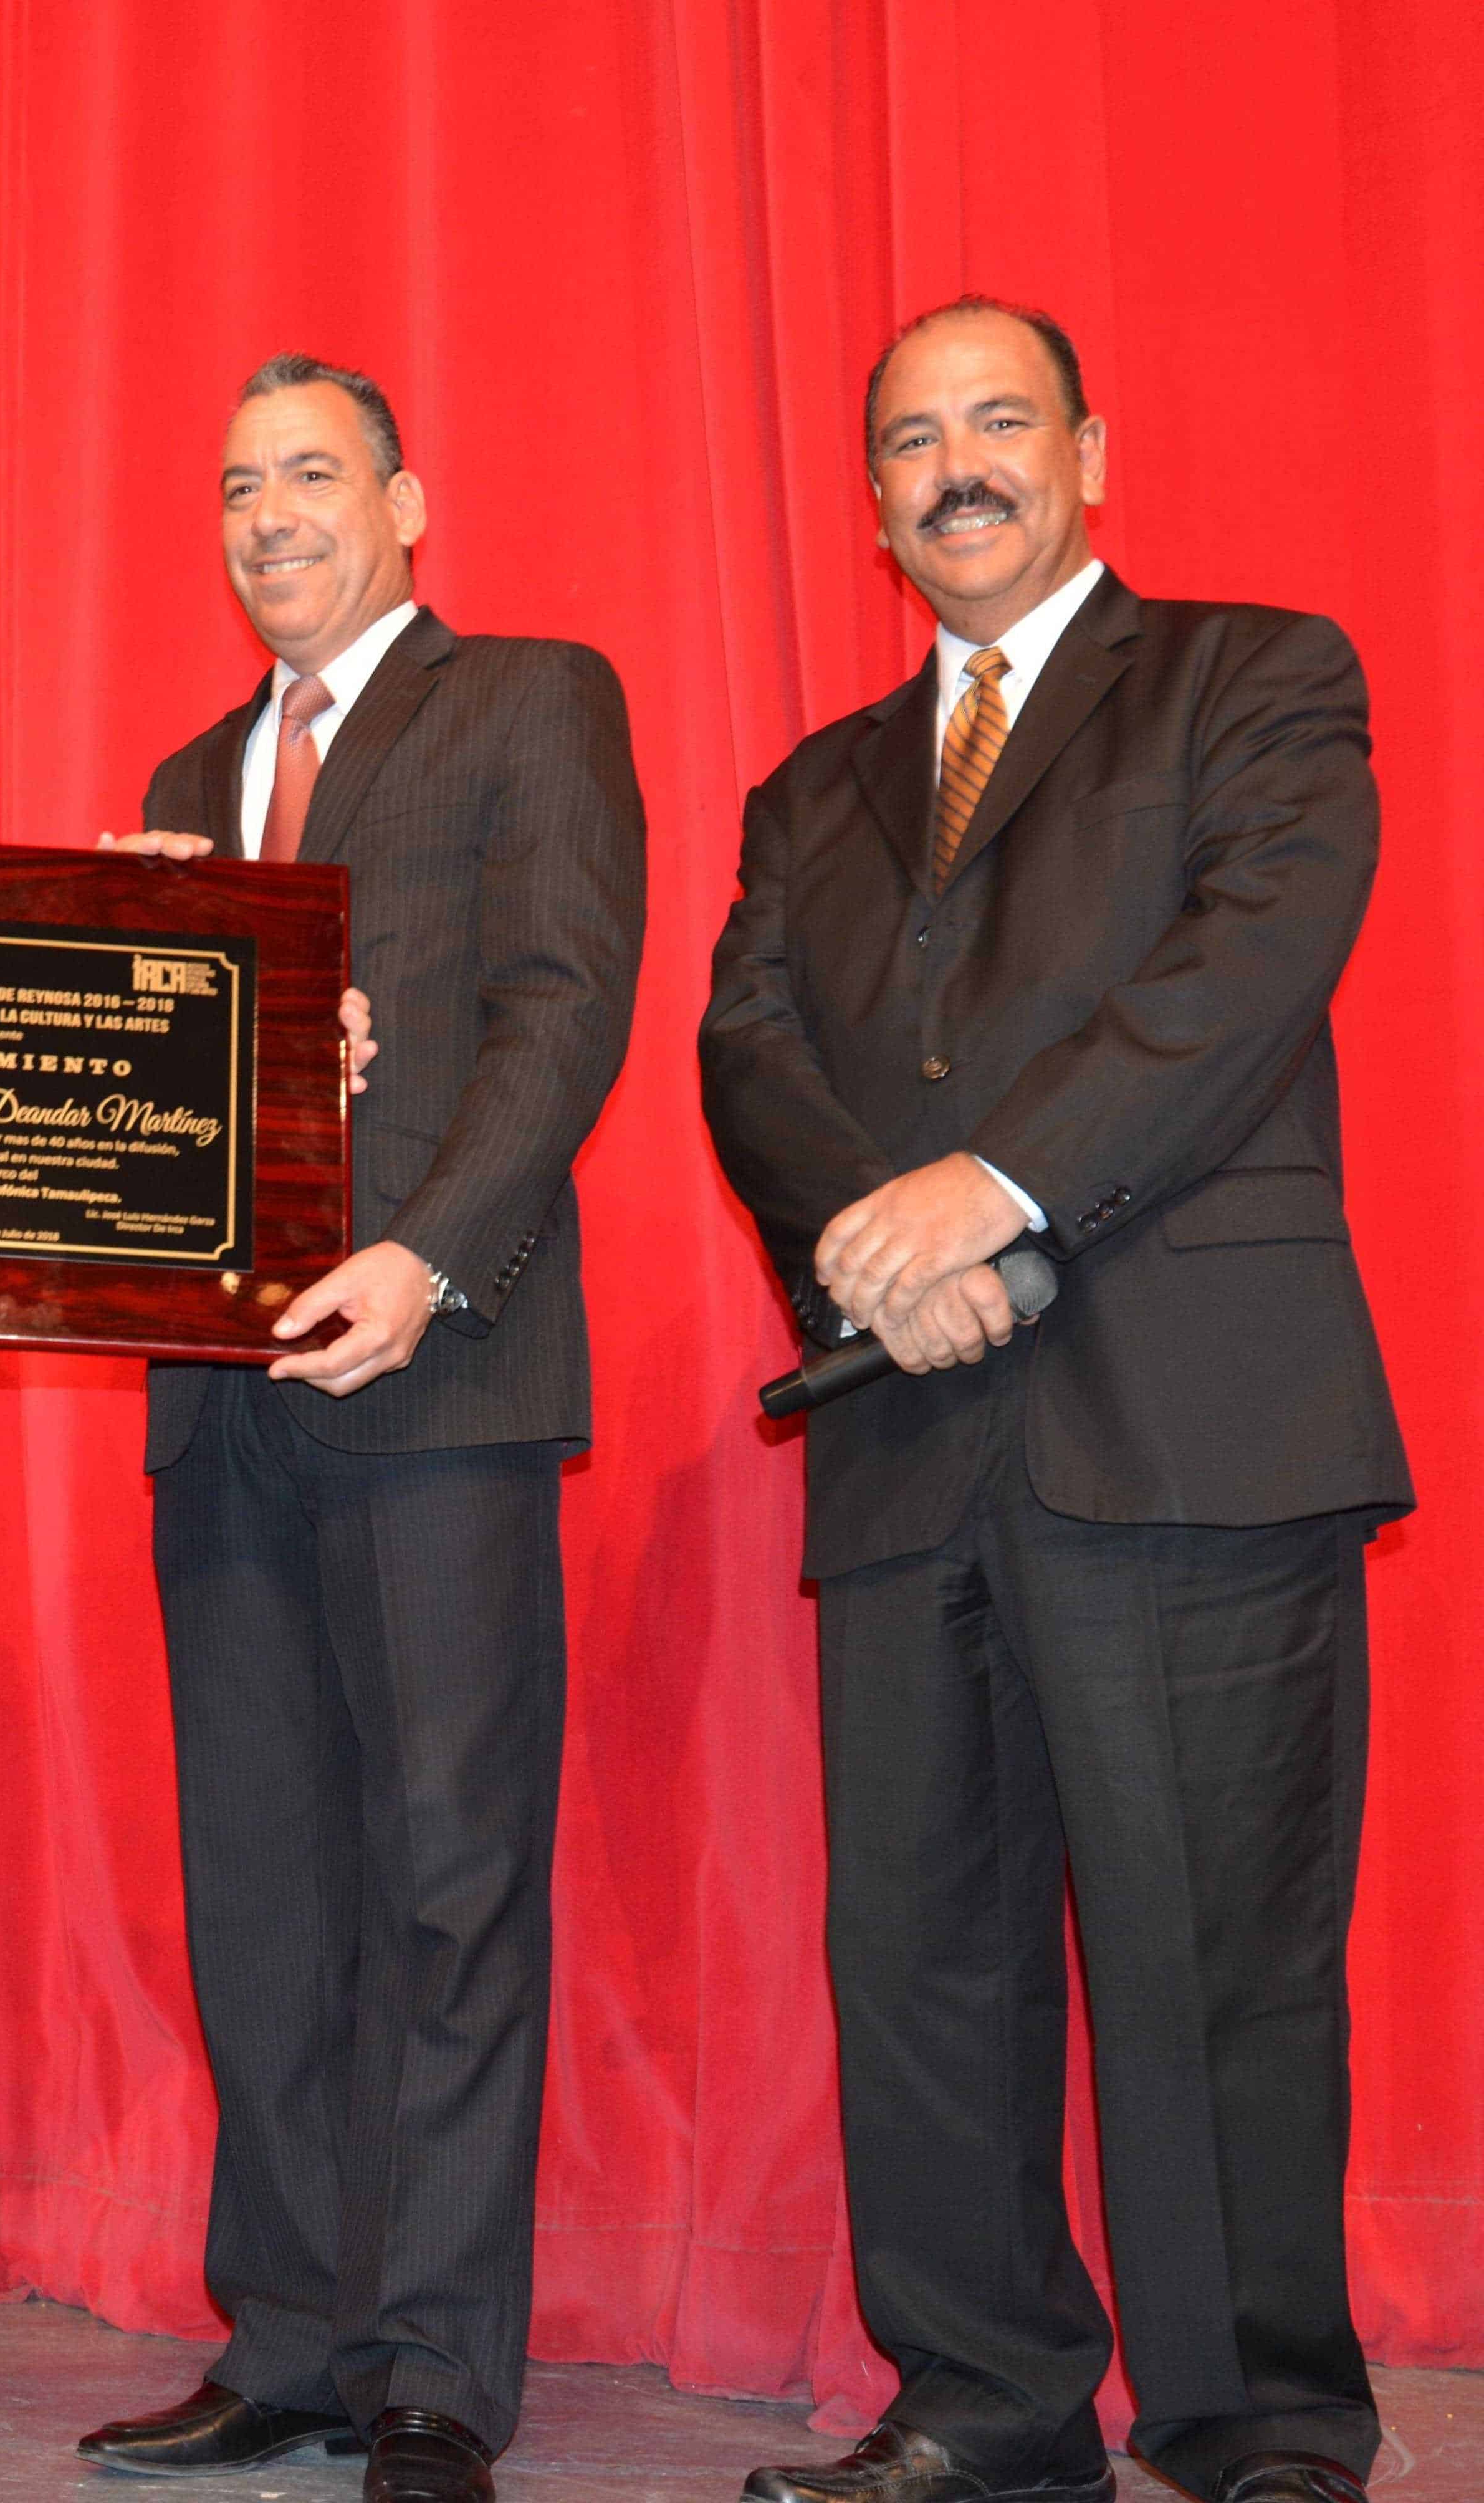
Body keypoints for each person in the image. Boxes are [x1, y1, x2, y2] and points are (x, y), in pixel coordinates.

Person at [699, 298, 1411, 2503]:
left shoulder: (1256, 674)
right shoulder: (809, 787)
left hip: (1189, 1413)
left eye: (1001, 423)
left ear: (1090, 450)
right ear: (878, 494)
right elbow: (753, 1055)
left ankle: (1256, 2415)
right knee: (925, 1952)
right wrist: (886, 1249)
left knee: (1215, 1948)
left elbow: (1252, 959)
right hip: (915, 1425)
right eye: (912, 439)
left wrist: (993, 1197)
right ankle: (987, 2405)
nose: (958, 467)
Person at [75, 356, 645, 2503]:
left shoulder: (527, 699)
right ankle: (290, 2338)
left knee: (448, 1887)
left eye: (310, 475)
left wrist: (423, 1259)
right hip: (226, 1413)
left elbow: (566, 1007)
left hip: (440, 1380)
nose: (269, 515)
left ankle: (432, 2375)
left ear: (410, 501)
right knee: (266, 1899)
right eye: (236, 485)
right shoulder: (186, 769)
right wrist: (124, 962)